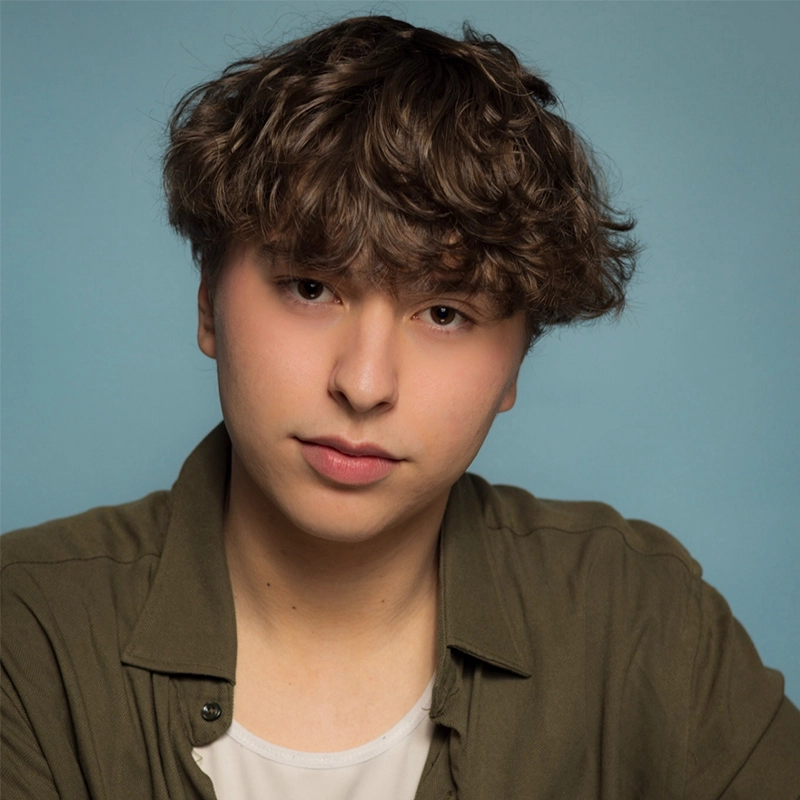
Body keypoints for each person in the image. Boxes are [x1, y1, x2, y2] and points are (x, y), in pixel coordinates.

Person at [2, 15, 798, 799]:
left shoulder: (642, 620)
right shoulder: (27, 629)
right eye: (311, 288)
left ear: (518, 359)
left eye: (445, 313)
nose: (365, 382)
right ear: (209, 304)